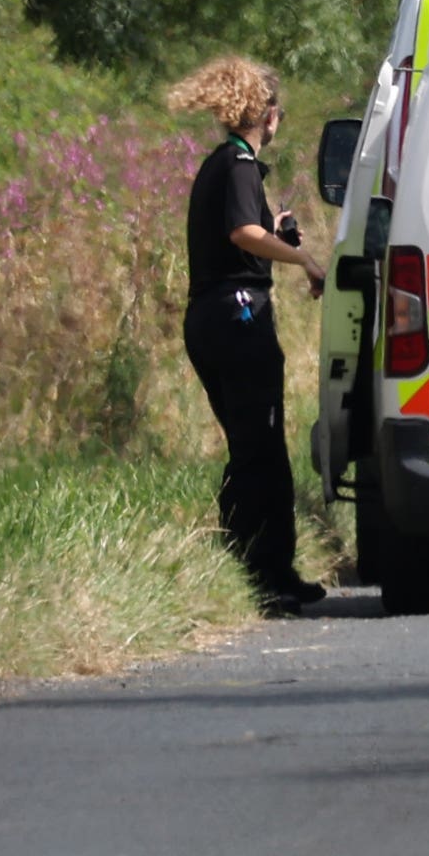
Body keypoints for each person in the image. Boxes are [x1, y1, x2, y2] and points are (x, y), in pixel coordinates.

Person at [169, 55, 329, 616]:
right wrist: (304, 259)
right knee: (258, 445)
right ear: (269, 115)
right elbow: (242, 232)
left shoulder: (227, 164)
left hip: (218, 316)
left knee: (254, 444)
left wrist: (277, 234)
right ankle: (261, 572)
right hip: (233, 317)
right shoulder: (237, 164)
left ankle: (265, 567)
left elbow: (249, 230)